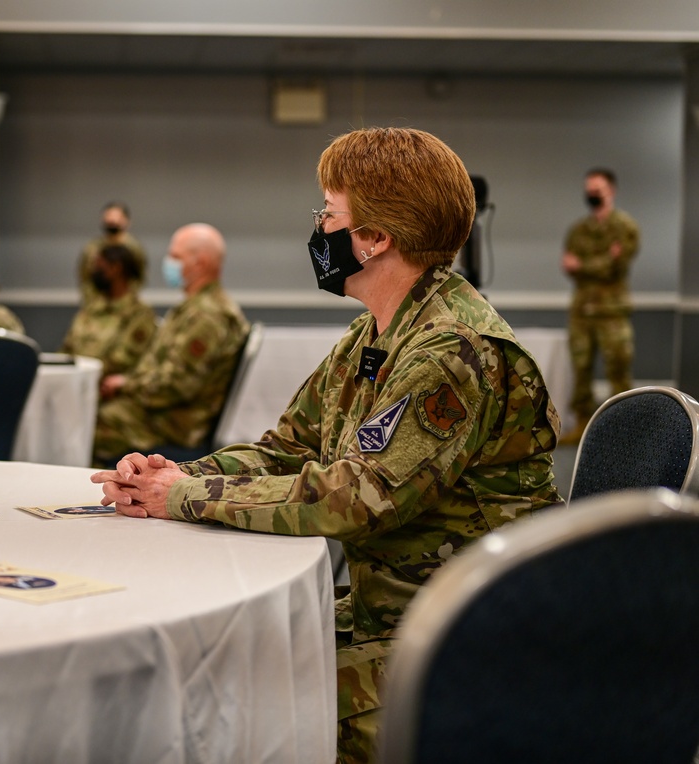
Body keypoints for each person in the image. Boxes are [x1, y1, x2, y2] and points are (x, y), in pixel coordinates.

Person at [91, 128, 562, 762]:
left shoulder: (451, 350)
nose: (318, 231)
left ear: (373, 239)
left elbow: (357, 500)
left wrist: (185, 497)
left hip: (462, 635)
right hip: (393, 612)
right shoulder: (376, 335)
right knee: (211, 657)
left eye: (329, 216)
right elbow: (286, 449)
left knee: (227, 701)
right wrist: (171, 473)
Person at [92, 223, 248, 468]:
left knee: (89, 427)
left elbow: (176, 385)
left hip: (172, 426)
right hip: (158, 414)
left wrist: (126, 385)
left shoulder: (207, 316)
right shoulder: (192, 308)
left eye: (176, 256)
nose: (168, 262)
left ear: (200, 263)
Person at [559, 168, 640, 445]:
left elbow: (614, 267)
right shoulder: (578, 230)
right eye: (589, 190)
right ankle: (583, 425)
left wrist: (585, 265)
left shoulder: (625, 227)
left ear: (611, 191)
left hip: (612, 312)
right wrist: (600, 262)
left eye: (597, 190)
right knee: (580, 369)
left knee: (618, 369)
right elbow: (569, 266)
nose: (592, 195)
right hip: (582, 311)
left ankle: (625, 429)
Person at [60, 243, 156, 376]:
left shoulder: (139, 314)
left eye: (99, 266)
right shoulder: (92, 309)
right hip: (74, 383)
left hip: (110, 390)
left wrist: (82, 375)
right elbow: (67, 349)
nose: (93, 272)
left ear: (115, 268)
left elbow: (122, 360)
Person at [78, 202, 147, 301]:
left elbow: (139, 278)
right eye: (109, 217)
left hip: (126, 304)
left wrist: (128, 299)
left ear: (126, 221)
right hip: (97, 303)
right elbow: (84, 278)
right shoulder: (92, 248)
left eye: (117, 217)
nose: (112, 220)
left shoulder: (134, 249)